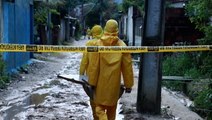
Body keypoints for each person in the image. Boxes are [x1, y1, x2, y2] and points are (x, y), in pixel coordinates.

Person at [89, 19, 134, 120]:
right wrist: (128, 85)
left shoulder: (98, 44)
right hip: (114, 86)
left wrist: (91, 82)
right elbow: (127, 67)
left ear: (105, 28)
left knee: (99, 109)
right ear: (117, 30)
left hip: (100, 84)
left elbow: (94, 66)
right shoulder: (122, 46)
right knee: (112, 110)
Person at [79, 25, 103, 120]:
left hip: (91, 77)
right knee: (103, 99)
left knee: (93, 98)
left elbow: (84, 61)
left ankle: (96, 117)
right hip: (104, 76)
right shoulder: (105, 43)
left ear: (92, 32)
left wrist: (81, 75)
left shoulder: (89, 43)